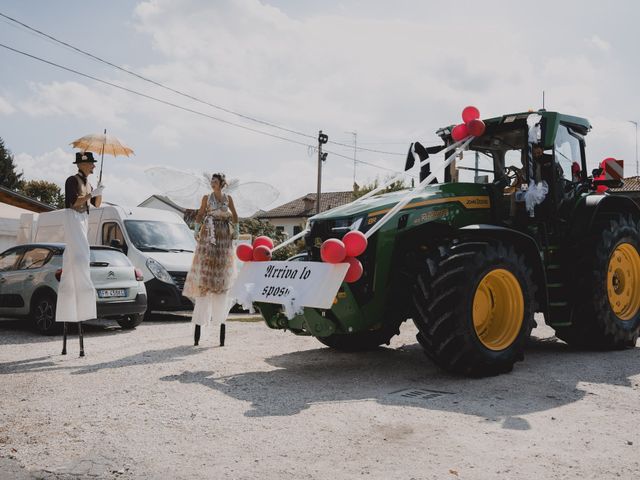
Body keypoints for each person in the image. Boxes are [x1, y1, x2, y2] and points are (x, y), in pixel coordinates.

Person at [56, 151, 104, 356]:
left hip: (83, 222)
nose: (93, 166)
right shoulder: (71, 180)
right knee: (79, 256)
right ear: (83, 165)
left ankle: (83, 298)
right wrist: (92, 194)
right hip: (73, 220)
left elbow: (97, 205)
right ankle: (79, 296)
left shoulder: (89, 183)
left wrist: (100, 190)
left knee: (83, 258)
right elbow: (75, 202)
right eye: (91, 164)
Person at [183, 172, 238, 346]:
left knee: (221, 272)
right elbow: (200, 214)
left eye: (215, 181)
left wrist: (235, 229)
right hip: (210, 233)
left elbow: (235, 215)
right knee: (207, 269)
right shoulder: (206, 198)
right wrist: (197, 228)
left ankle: (220, 325)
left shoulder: (228, 199)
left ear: (221, 183)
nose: (212, 183)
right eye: (211, 181)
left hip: (223, 237)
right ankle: (199, 331)